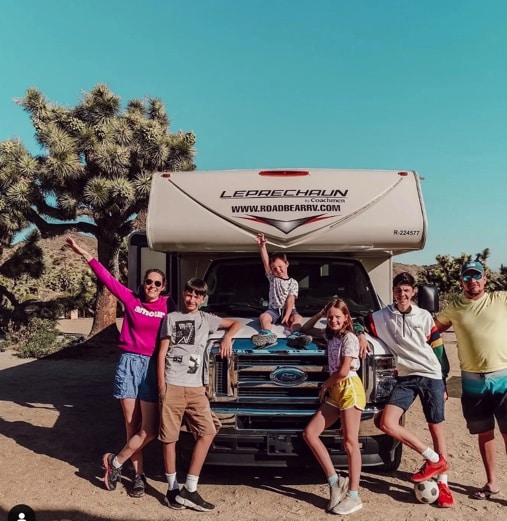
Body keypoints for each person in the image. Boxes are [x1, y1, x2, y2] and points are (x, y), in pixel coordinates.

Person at [66, 236, 176, 498]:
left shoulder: (168, 305)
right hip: (128, 363)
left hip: (152, 366)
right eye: (148, 282)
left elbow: (190, 315)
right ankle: (139, 477)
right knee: (131, 426)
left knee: (148, 428)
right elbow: (106, 278)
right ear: (143, 284)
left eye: (156, 283)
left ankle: (114, 461)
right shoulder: (131, 299)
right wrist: (84, 252)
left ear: (163, 287)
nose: (151, 286)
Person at [360, 272, 454, 508]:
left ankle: (443, 484)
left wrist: (443, 379)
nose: (402, 295)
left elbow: (438, 348)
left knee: (436, 427)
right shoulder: (381, 316)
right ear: (393, 291)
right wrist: (360, 332)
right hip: (405, 377)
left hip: (431, 374)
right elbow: (359, 320)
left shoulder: (424, 316)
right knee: (386, 423)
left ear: (413, 293)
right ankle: (434, 459)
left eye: (407, 291)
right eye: (398, 290)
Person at [158, 277, 242, 512]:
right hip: (172, 383)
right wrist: (161, 386)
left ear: (203, 299)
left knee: (208, 431)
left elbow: (235, 324)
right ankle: (172, 489)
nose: (192, 299)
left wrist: (227, 337)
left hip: (196, 388)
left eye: (197, 296)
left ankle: (190, 488)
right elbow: (162, 353)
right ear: (183, 294)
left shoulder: (207, 319)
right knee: (169, 439)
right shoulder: (171, 318)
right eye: (189, 294)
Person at [435, 260, 507, 500]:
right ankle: (492, 483)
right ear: (461, 282)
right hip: (472, 380)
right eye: (467, 277)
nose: (472, 281)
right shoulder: (454, 308)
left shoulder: (501, 300)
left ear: (485, 279)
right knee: (484, 433)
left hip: (504, 378)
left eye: (476, 276)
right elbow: (430, 331)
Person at [300, 298, 365, 515]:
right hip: (336, 392)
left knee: (350, 443)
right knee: (310, 433)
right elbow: (305, 328)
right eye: (331, 317)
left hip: (349, 389)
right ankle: (335, 480)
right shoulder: (330, 335)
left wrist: (324, 385)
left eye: (338, 316)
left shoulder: (350, 339)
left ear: (347, 317)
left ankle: (354, 496)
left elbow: (344, 370)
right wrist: (320, 313)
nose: (333, 320)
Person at [250, 232, 311, 348]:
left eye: (280, 266)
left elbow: (291, 300)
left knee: (297, 318)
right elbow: (265, 262)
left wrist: (287, 315)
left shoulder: (293, 282)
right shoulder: (272, 278)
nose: (277, 270)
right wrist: (262, 246)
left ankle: (296, 335)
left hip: (290, 310)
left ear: (287, 264)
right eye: (274, 268)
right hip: (274, 310)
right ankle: (267, 334)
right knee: (264, 317)